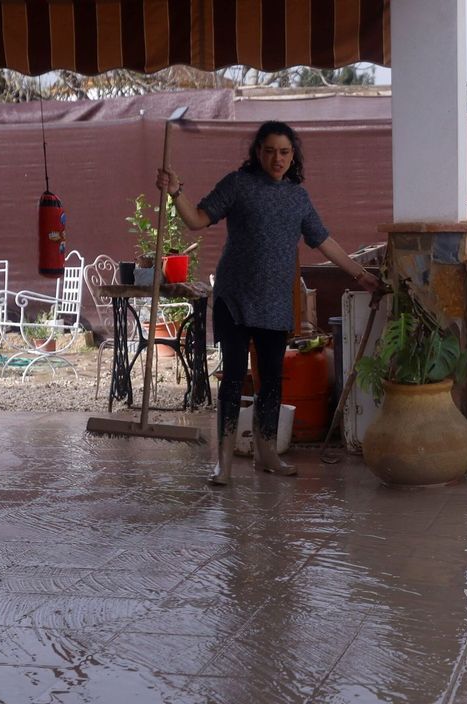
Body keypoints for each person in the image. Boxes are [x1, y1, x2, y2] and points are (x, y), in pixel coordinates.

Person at [158, 120, 377, 482]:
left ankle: (267, 453)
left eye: (285, 152)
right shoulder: (238, 185)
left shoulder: (298, 198)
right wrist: (175, 190)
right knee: (231, 379)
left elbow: (324, 241)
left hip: (275, 302)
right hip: (234, 298)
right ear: (258, 152)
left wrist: (360, 274)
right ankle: (224, 461)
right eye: (271, 150)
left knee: (272, 380)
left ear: (294, 156)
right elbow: (197, 219)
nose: (278, 159)